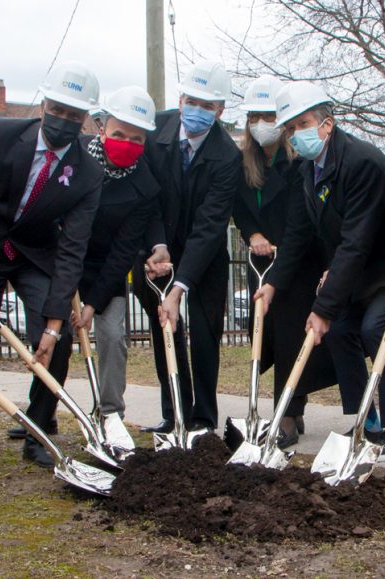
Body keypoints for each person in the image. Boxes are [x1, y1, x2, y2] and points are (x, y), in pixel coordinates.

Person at [258, 81, 385, 461]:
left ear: (327, 123)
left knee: (375, 328)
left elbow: (358, 239)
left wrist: (323, 305)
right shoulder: (306, 170)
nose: (297, 135)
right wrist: (274, 283)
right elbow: (297, 235)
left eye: (303, 124)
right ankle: (369, 422)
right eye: (291, 128)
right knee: (342, 332)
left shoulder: (361, 162)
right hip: (356, 264)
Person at [0, 61, 103, 468]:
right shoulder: (0, 135)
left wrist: (54, 322)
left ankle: (38, 429)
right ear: (45, 103)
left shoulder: (88, 173)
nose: (62, 120)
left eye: (73, 115)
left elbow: (73, 247)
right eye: (57, 109)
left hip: (36, 255)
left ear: (84, 120)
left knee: (56, 341)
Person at [136, 60, 241, 433]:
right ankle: (174, 412)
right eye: (191, 100)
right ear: (180, 98)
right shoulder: (154, 131)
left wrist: (181, 286)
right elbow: (145, 197)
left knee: (206, 335)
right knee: (166, 330)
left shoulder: (228, 155)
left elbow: (210, 225)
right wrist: (157, 246)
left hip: (205, 256)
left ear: (220, 110)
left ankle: (202, 418)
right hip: (156, 251)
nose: (196, 109)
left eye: (207, 105)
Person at [231, 75, 336, 448]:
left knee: (292, 335)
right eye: (255, 116)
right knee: (266, 335)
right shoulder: (244, 162)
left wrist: (280, 258)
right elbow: (240, 209)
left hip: (296, 261)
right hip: (261, 260)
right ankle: (289, 405)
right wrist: (252, 235)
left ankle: (288, 414)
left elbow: (300, 225)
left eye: (270, 115)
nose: (263, 123)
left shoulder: (298, 163)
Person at [72, 86, 161, 418]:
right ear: (102, 128)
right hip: (65, 262)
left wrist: (92, 304)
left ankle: (110, 414)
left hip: (106, 271)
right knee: (49, 335)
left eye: (137, 139)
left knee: (111, 338)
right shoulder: (74, 159)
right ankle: (43, 411)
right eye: (119, 133)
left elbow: (123, 252)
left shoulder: (144, 186)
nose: (127, 143)